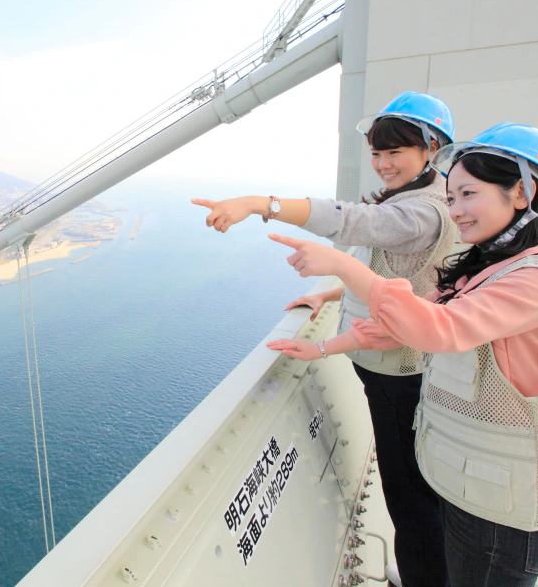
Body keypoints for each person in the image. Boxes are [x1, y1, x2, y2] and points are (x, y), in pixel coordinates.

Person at [267, 123, 538, 587]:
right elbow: (402, 326)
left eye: (467, 195)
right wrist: (321, 346)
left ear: (523, 193)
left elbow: (438, 328)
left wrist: (341, 264)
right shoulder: (487, 269)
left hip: (506, 508)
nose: (455, 211)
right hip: (476, 488)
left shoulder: (537, 279)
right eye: (452, 196)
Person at [193, 91, 457, 587]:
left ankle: (427, 577)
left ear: (431, 148)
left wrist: (257, 203)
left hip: (397, 369)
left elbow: (352, 222)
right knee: (413, 484)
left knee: (408, 492)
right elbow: (401, 274)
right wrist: (333, 292)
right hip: (387, 357)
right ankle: (428, 569)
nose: (382, 164)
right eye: (376, 153)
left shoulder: (422, 211)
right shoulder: (425, 196)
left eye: (394, 152)